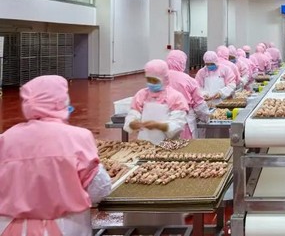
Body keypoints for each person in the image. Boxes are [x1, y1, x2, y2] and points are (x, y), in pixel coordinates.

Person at [0, 75, 112, 236]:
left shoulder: (5, 139)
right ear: (60, 101)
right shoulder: (77, 138)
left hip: (10, 227)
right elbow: (99, 189)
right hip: (65, 227)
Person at [124, 60, 189, 144]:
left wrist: (159, 126)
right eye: (149, 80)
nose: (151, 83)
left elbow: (178, 123)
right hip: (144, 143)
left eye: (154, 80)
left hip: (168, 144)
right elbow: (132, 115)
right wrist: (132, 124)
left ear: (164, 79)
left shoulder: (175, 97)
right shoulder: (142, 95)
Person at [166, 50, 210, 139]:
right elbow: (199, 104)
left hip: (162, 120)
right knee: (185, 145)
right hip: (183, 121)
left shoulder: (160, 78)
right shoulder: (188, 80)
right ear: (182, 63)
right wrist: (206, 117)